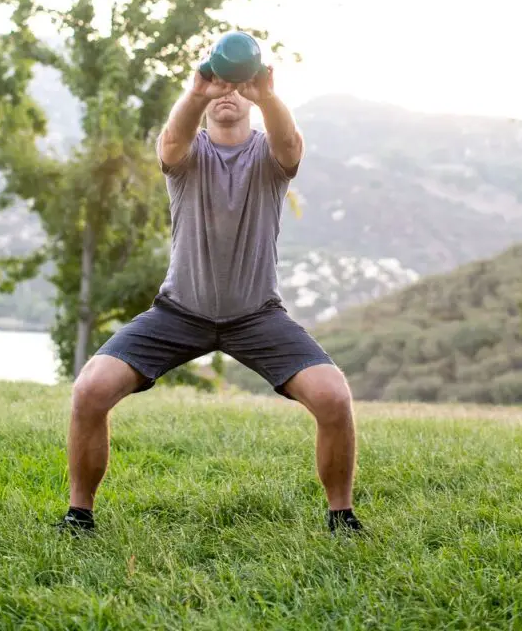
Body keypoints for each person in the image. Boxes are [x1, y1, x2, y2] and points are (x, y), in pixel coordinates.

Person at [58, 63, 362, 536]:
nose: (228, 95)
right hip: (179, 312)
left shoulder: (267, 153)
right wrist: (198, 92)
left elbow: (290, 147)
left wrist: (267, 96)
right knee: (90, 390)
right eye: (221, 85)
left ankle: (341, 517)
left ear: (251, 98)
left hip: (256, 315)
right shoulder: (187, 152)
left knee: (333, 396)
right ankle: (79, 515)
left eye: (239, 88)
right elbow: (172, 141)